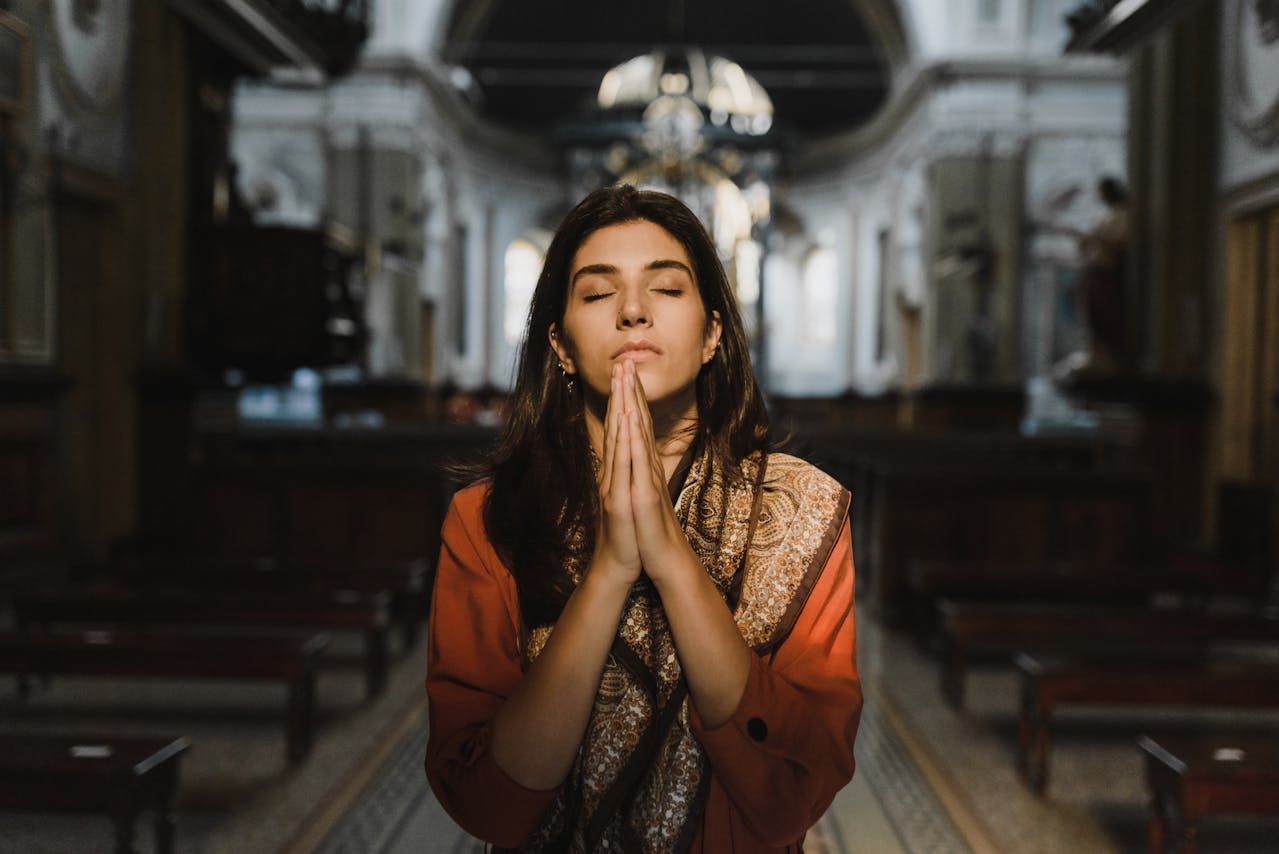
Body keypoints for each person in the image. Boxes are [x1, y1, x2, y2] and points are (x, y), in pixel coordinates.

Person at [425, 185, 861, 853]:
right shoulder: (485, 518)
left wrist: (671, 561)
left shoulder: (805, 509)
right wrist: (608, 570)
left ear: (713, 333)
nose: (632, 312)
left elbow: (793, 794)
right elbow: (488, 805)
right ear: (561, 346)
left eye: (665, 289)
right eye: (597, 294)